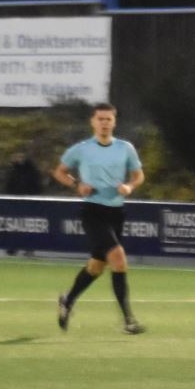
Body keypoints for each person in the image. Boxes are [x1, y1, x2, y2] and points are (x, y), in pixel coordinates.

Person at [51, 103, 146, 335]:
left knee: (96, 266)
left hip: (116, 212)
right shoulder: (82, 149)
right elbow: (59, 172)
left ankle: (67, 300)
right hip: (93, 211)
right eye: (100, 119)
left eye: (108, 119)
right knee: (118, 259)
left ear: (114, 122)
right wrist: (77, 184)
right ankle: (129, 321)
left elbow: (138, 175)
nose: (104, 123)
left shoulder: (125, 148)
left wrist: (129, 186)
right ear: (93, 122)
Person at [3, 150, 43, 255]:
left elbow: (37, 187)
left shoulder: (32, 171)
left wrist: (33, 199)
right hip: (15, 203)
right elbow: (8, 186)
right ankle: (13, 247)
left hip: (29, 203)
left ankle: (29, 248)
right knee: (14, 226)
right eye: (17, 157)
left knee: (29, 226)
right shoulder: (12, 171)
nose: (19, 159)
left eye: (21, 157)